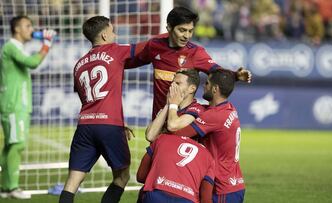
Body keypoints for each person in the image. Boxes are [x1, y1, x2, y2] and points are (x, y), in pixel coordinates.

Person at [59, 16, 137, 203]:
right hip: (109, 125)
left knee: (72, 182)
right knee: (122, 176)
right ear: (103, 35)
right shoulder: (116, 51)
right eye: (112, 30)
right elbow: (148, 47)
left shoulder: (79, 64)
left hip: (85, 125)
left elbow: (86, 98)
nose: (115, 34)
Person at [126, 6, 252, 119]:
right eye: (182, 30)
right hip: (158, 122)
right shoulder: (155, 45)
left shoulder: (196, 53)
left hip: (182, 122)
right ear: (169, 27)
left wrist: (236, 75)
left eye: (190, 31)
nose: (187, 36)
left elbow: (218, 72)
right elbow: (134, 61)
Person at [0, 15, 56, 199]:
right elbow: (33, 62)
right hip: (14, 104)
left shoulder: (16, 48)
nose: (31, 29)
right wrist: (47, 44)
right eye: (27, 25)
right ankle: (12, 187)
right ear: (17, 29)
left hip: (16, 103)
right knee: (17, 144)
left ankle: (6, 187)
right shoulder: (11, 47)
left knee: (10, 145)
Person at [173, 69, 246, 203]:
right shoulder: (228, 108)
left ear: (215, 89)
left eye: (207, 83)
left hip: (221, 188)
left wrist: (172, 105)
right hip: (234, 184)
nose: (204, 86)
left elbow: (176, 133)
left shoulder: (214, 116)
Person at [137, 134, 215, 203]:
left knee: (144, 190)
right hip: (187, 200)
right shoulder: (208, 157)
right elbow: (206, 200)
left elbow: (140, 176)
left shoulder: (162, 138)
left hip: (155, 197)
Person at [145, 69, 204, 142]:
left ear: (192, 89)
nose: (172, 87)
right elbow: (150, 136)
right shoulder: (170, 108)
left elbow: (172, 126)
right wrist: (167, 105)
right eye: (172, 84)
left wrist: (173, 104)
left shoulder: (197, 109)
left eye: (178, 83)